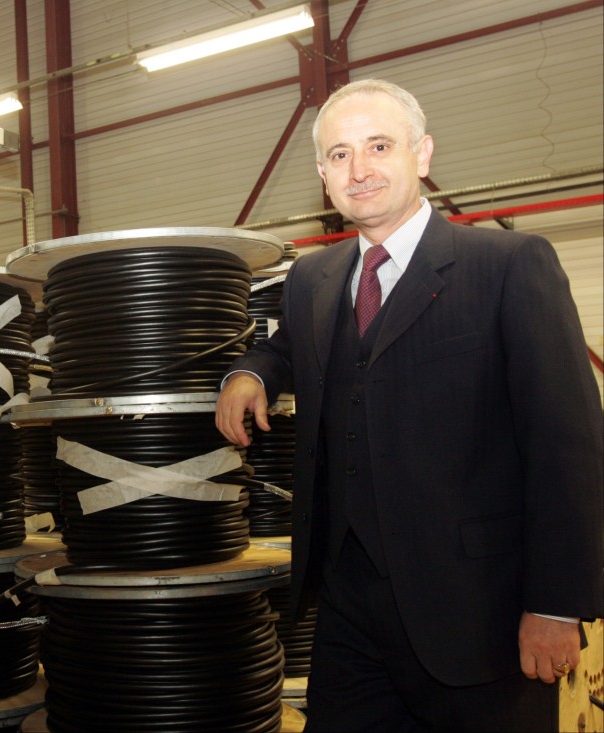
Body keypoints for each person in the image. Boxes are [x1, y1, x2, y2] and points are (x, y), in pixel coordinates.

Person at [215, 78, 603, 732]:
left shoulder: (509, 265)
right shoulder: (312, 277)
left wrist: (556, 605)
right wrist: (250, 372)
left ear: (421, 154)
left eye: (378, 146)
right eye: (339, 154)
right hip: (347, 607)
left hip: (476, 614)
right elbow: (290, 347)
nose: (358, 170)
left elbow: (568, 446)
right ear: (322, 175)